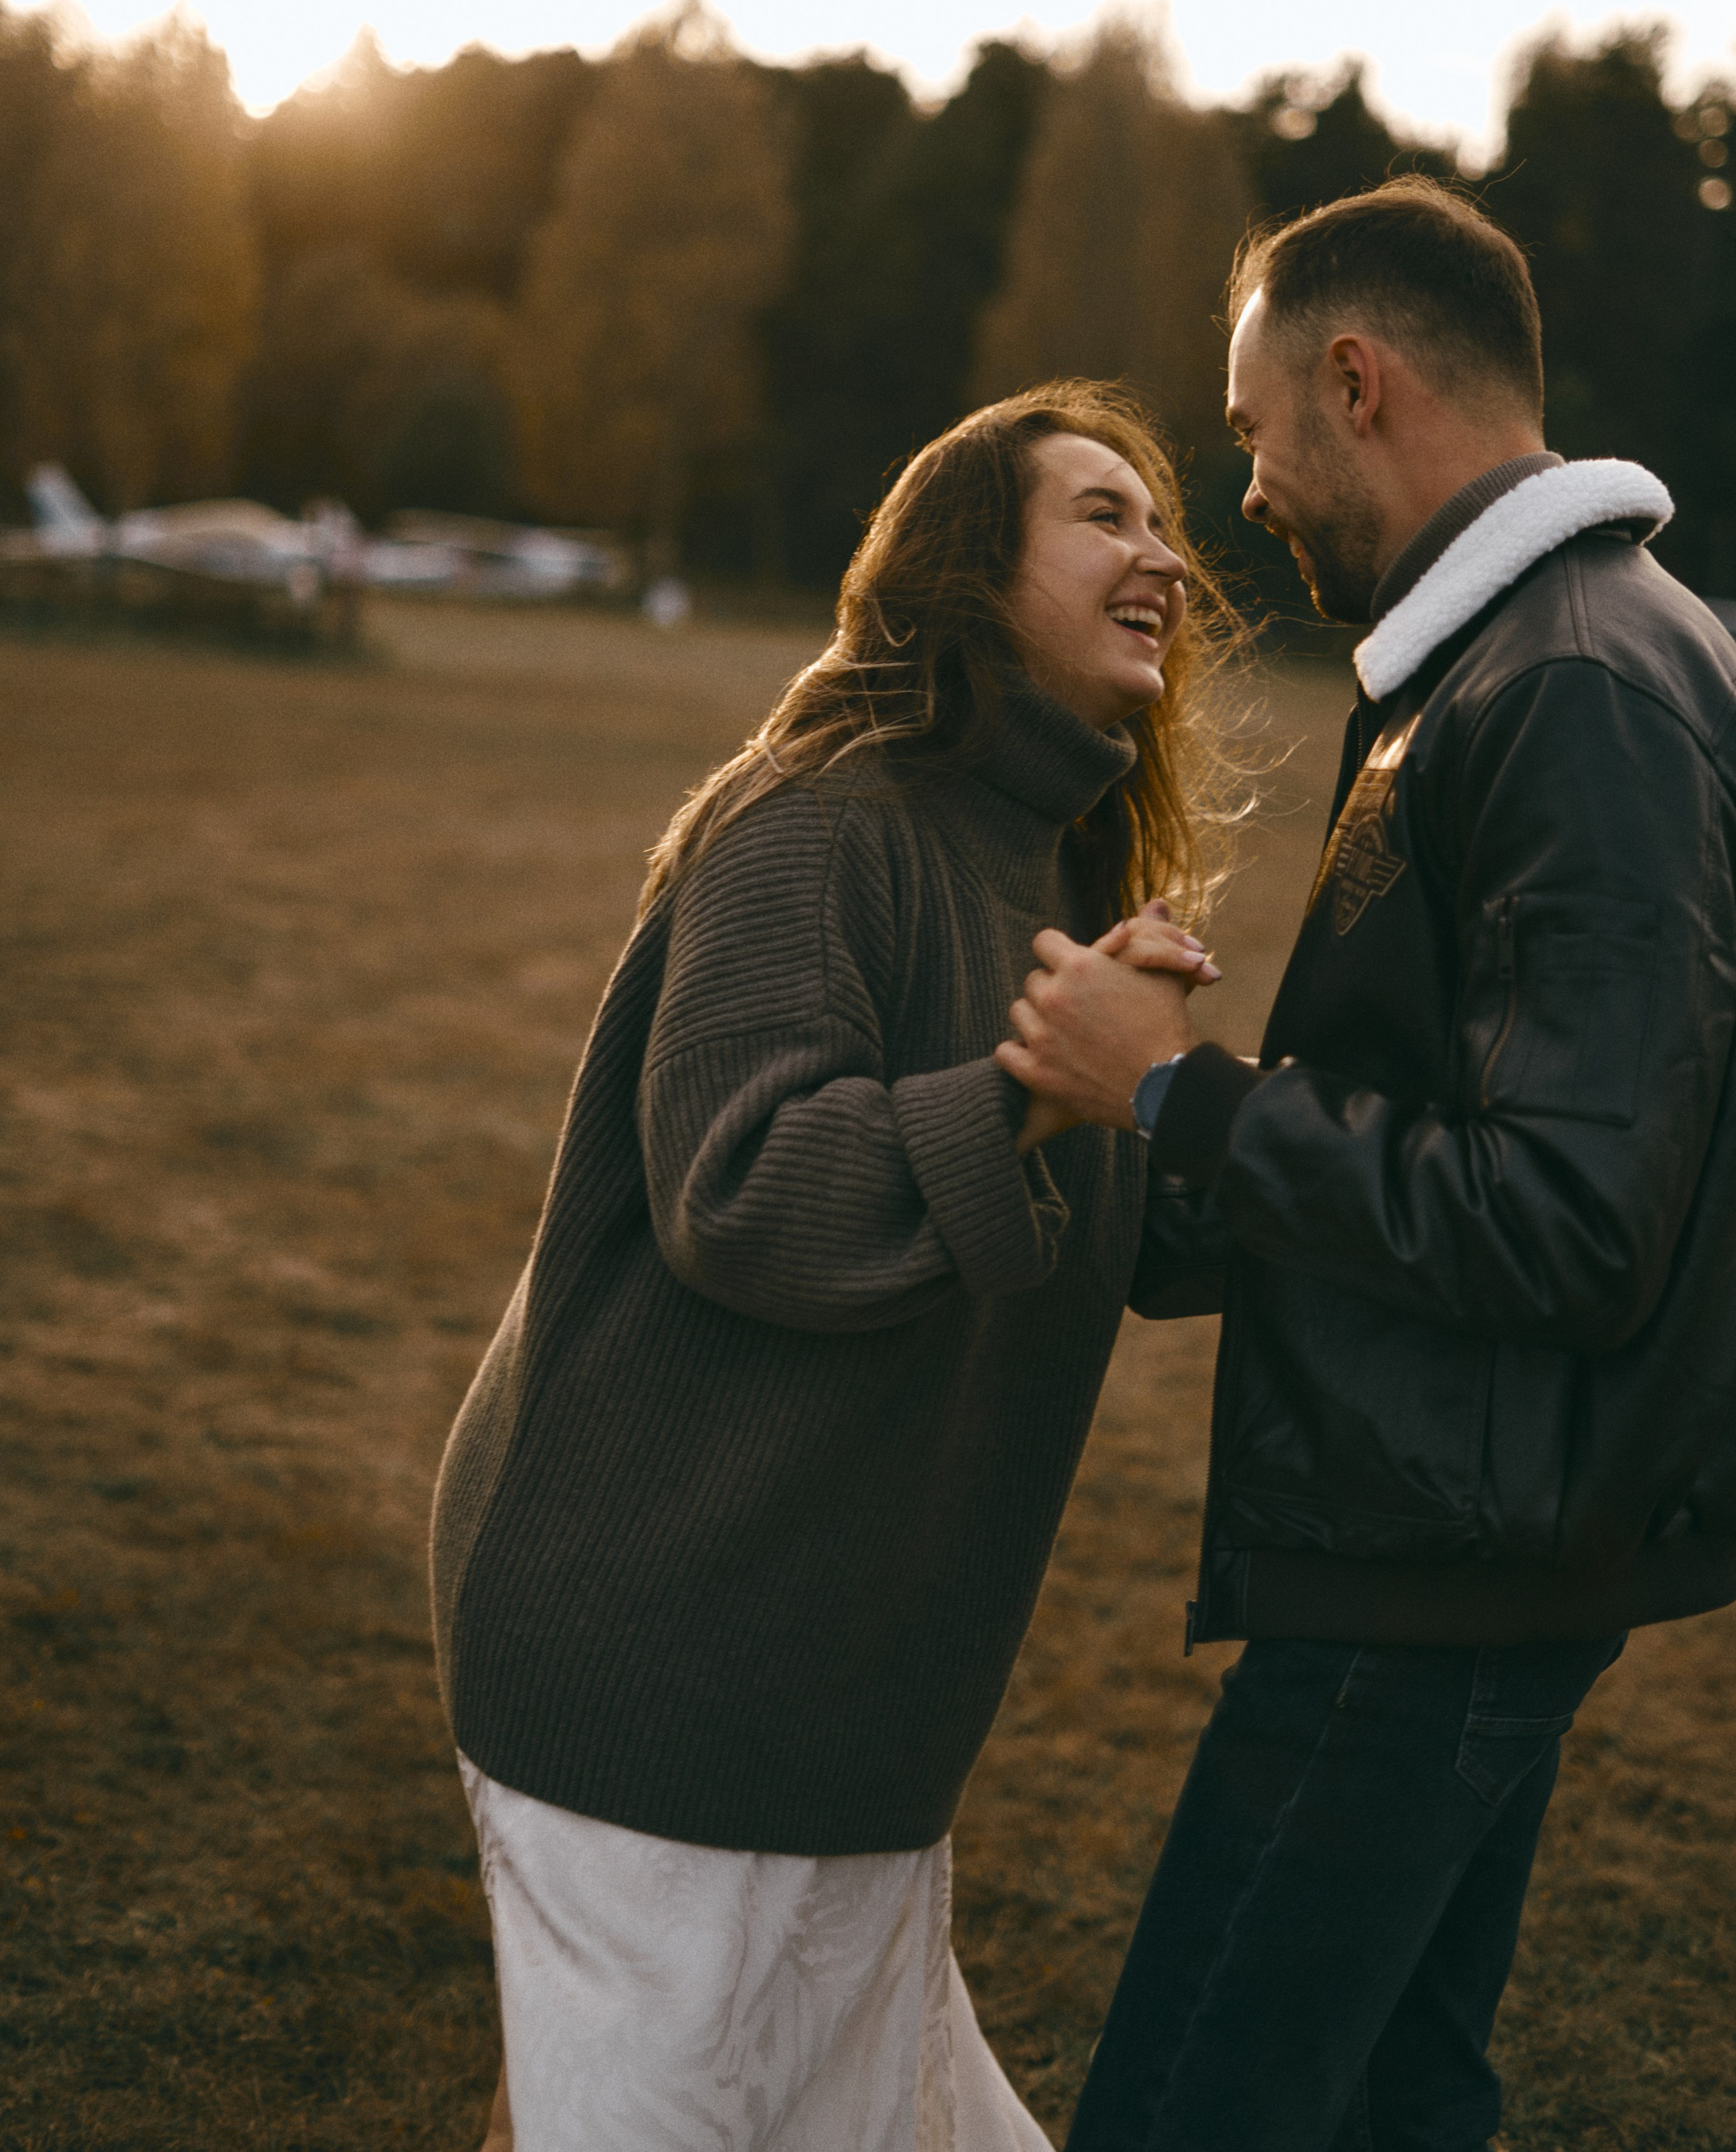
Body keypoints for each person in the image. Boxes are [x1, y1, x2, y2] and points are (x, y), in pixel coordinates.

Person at [998, 180, 1736, 2152]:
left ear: (1355, 379)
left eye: (1246, 433)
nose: (1238, 491)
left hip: (1436, 1575)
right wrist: (1160, 1139)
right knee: (1401, 2104)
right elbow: (1458, 1114)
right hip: (1465, 1542)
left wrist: (1190, 1097)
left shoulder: (1573, 680)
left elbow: (1576, 1219)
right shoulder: (1516, 656)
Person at [430, 382, 1247, 2152]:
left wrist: (1213, 1117)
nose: (1163, 556)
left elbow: (1112, 1236)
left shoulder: (1057, 859)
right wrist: (1038, 1090)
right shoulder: (825, 820)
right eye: (1102, 513)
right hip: (659, 1666)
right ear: (968, 567)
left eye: (1163, 519)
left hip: (848, 1722)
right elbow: (745, 1182)